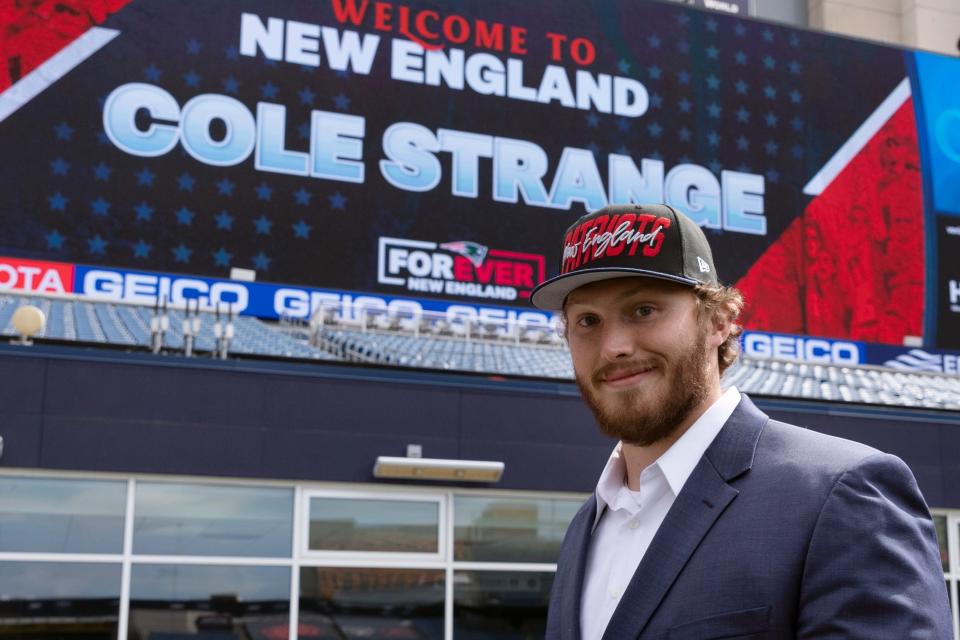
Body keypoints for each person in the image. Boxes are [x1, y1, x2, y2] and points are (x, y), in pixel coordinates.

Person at [530, 203, 951, 639]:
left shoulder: (841, 493)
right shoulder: (587, 526)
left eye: (643, 310)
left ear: (719, 322)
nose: (613, 346)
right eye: (587, 321)